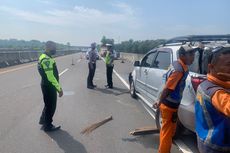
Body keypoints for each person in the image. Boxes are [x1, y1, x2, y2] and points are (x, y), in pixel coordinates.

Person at [153, 45, 196, 153]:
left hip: (173, 104)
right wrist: (159, 101)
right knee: (166, 133)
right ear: (182, 56)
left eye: (194, 54)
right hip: (168, 105)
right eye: (190, 54)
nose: (193, 57)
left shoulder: (177, 64)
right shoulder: (178, 70)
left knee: (170, 130)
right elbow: (168, 88)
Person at [195, 46, 230, 153]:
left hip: (206, 140)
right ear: (211, 67)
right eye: (228, 64)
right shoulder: (216, 92)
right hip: (217, 147)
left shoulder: (206, 83)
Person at [38, 41, 63, 132]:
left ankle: (43, 120)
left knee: (47, 105)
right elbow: (50, 76)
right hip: (49, 86)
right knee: (51, 106)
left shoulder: (44, 56)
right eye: (54, 47)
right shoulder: (47, 59)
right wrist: (59, 88)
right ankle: (48, 126)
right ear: (48, 47)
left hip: (46, 85)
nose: (55, 49)